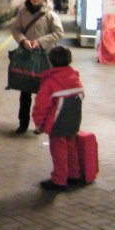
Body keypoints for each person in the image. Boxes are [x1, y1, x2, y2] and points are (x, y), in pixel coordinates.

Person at [10, 0, 64, 134]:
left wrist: (40, 42)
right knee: (25, 92)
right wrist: (23, 40)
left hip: (44, 58)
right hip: (27, 56)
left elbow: (59, 32)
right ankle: (23, 123)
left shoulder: (49, 14)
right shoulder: (23, 12)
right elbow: (15, 29)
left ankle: (40, 124)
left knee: (43, 94)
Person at [32, 46, 85, 191]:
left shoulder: (50, 81)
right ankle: (74, 174)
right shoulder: (74, 77)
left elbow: (41, 105)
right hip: (74, 120)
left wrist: (38, 123)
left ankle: (59, 180)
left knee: (58, 151)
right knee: (71, 146)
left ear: (51, 61)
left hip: (57, 123)